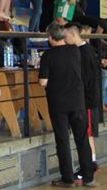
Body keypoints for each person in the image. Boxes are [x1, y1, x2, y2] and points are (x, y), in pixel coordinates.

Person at [39, 22, 97, 187]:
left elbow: (43, 82)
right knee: (82, 139)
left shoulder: (48, 55)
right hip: (78, 100)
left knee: (63, 140)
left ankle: (67, 178)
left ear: (51, 37)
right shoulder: (74, 51)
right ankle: (88, 177)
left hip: (58, 102)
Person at [64, 23, 102, 179]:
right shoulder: (84, 50)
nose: (64, 39)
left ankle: (90, 164)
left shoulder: (84, 52)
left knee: (87, 133)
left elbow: (85, 78)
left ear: (73, 35)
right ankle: (89, 163)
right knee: (86, 133)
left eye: (66, 36)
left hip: (87, 99)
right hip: (85, 98)